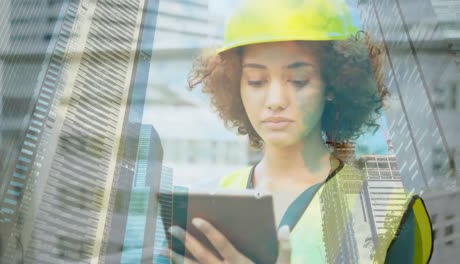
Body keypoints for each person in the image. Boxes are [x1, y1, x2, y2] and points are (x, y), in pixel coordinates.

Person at [168, 0, 433, 263]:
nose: (275, 100)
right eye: (256, 81)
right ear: (236, 86)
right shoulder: (211, 201)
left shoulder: (388, 213)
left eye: (298, 80)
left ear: (332, 84)